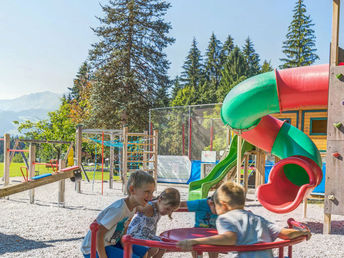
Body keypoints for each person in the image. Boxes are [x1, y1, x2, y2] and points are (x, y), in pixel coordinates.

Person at [177, 181, 311, 258]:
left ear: (223, 205)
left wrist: (194, 241)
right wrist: (303, 231)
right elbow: (286, 233)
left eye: (215, 204)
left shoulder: (225, 218)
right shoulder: (258, 218)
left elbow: (229, 238)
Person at [81, 170, 156, 258]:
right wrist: (103, 256)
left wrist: (129, 251)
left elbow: (123, 231)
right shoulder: (119, 210)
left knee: (143, 252)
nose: (151, 197)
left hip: (111, 243)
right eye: (147, 192)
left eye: (152, 192)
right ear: (132, 190)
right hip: (93, 248)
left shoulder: (133, 207)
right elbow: (99, 233)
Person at [127, 187, 181, 258]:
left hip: (148, 235)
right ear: (160, 199)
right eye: (167, 209)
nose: (168, 212)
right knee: (154, 248)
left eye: (171, 210)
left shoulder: (159, 205)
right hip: (136, 234)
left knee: (163, 246)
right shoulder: (149, 207)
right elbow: (134, 208)